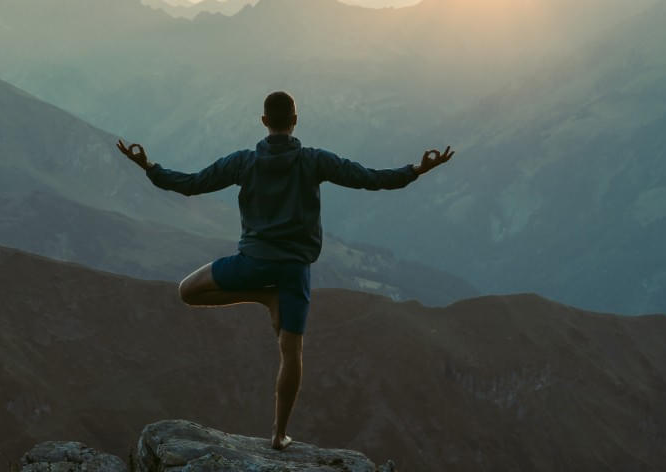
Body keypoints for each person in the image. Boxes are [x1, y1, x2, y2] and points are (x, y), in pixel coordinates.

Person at [116, 90, 453, 450]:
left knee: (187, 290)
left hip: (251, 264)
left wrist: (148, 166)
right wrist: (416, 170)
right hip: (295, 269)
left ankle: (263, 296)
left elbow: (191, 184)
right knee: (292, 353)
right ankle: (278, 435)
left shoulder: (242, 162)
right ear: (295, 120)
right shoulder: (314, 161)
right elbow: (368, 178)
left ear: (264, 122)